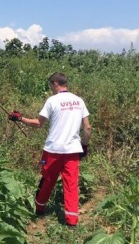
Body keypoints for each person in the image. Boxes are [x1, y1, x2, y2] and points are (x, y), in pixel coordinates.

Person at [8, 72, 92, 227]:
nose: (50, 89)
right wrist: (84, 147)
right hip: (72, 151)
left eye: (50, 86)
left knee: (47, 179)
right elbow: (87, 127)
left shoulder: (52, 101)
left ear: (55, 83)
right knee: (71, 184)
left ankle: (39, 209)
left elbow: (38, 123)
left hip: (53, 149)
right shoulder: (79, 101)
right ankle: (72, 221)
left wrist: (20, 118)